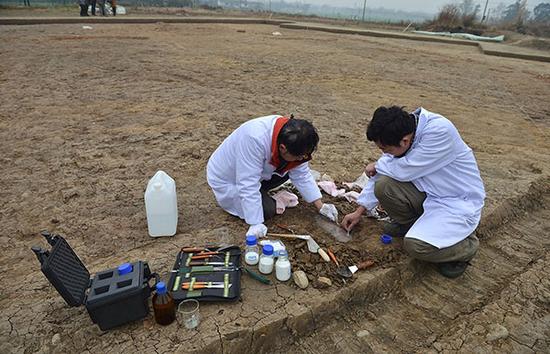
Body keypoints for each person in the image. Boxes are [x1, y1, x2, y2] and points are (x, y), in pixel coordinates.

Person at [341, 106, 485, 278]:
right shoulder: (402, 131)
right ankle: (410, 225)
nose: (384, 153)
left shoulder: (440, 132)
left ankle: (465, 249)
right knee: (384, 185)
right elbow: (387, 169)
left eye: (385, 149)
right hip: (430, 193)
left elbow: (405, 170)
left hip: (457, 201)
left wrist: (377, 165)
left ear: (405, 141)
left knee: (415, 246)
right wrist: (359, 211)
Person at [207, 114, 338, 238]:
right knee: (267, 210)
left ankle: (262, 193)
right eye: (299, 156)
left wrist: (321, 206)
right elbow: (247, 184)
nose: (302, 159)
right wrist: (255, 223)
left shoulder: (292, 136)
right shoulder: (254, 139)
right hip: (229, 178)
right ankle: (259, 200)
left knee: (290, 169)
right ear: (282, 148)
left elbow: (302, 173)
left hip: (256, 173)